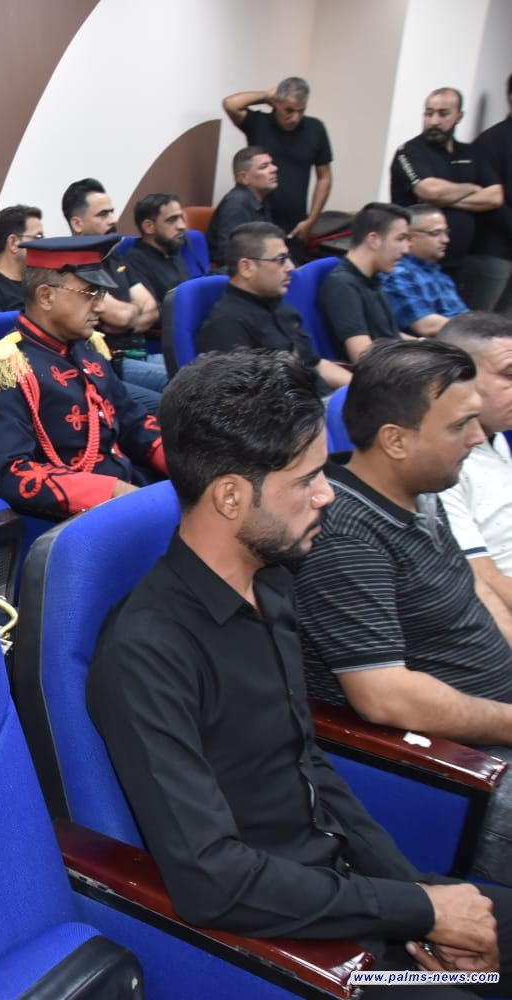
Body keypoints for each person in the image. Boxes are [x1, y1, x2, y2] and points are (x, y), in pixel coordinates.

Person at [90, 348, 512, 994]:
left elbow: (309, 765)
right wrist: (418, 911)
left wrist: (418, 903)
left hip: (358, 899)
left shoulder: (273, 584)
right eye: (308, 479)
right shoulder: (147, 653)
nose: (328, 495)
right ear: (231, 495)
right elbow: (214, 880)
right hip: (302, 950)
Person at [294, 338, 512, 884]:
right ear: (395, 440)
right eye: (460, 425)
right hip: (462, 770)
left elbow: (473, 596)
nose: (478, 437)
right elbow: (386, 697)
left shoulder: (422, 490)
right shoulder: (345, 536)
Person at [0, 234, 165, 520]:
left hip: (130, 490)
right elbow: (12, 473)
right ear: (46, 296)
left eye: (100, 294)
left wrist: (184, 463)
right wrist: (115, 491)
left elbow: (131, 420)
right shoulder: (7, 367)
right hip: (75, 518)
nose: (99, 306)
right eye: (89, 294)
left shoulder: (86, 346)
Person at [195, 222, 352, 393]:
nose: (291, 267)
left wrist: (360, 389)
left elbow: (314, 364)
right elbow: (239, 398)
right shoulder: (226, 326)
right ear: (247, 267)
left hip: (316, 399)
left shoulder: (283, 310)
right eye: (281, 259)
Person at [62, 178, 167, 412]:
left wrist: (128, 317)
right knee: (184, 386)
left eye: (112, 212)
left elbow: (151, 307)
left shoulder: (112, 256)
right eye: (103, 214)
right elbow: (119, 317)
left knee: (201, 371)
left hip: (142, 353)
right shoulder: (75, 267)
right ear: (77, 223)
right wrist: (132, 313)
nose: (113, 220)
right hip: (114, 363)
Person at [441, 313, 512, 629]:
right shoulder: (442, 466)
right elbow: (482, 578)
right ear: (459, 376)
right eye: (509, 374)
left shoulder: (498, 437)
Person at [390, 88, 505, 284]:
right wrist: (472, 188)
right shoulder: (410, 151)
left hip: (460, 262)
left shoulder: (472, 152)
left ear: (459, 116)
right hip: (414, 263)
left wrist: (442, 199)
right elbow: (430, 191)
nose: (434, 121)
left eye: (443, 114)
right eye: (429, 113)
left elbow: (495, 197)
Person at [222, 78, 334, 248]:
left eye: (301, 111)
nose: (295, 118)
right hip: (257, 219)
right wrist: (266, 96)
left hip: (295, 225)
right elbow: (230, 104)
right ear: (276, 103)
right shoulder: (259, 123)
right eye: (289, 110)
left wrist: (311, 220)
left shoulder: (315, 129)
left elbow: (324, 177)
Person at [318, 202, 412, 361]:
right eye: (400, 238)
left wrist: (430, 347)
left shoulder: (372, 279)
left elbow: (391, 335)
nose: (406, 249)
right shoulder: (342, 286)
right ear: (374, 240)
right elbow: (363, 356)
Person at [383, 204, 471, 337]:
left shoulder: (440, 276)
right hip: (430, 346)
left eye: (446, 232)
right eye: (436, 233)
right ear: (409, 237)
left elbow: (463, 315)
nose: (446, 240)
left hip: (461, 338)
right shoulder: (398, 273)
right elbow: (426, 325)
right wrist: (477, 329)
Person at [465, 73, 512, 315]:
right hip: (493, 250)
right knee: (478, 323)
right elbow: (491, 199)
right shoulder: (491, 141)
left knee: (504, 326)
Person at [208, 147, 278, 272]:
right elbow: (228, 256)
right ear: (244, 177)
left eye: (271, 164)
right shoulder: (236, 204)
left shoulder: (262, 199)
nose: (274, 169)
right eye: (264, 167)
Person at [122, 192, 193, 313]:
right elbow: (153, 311)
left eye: (181, 218)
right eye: (172, 220)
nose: (182, 226)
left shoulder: (173, 249)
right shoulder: (135, 261)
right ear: (149, 227)